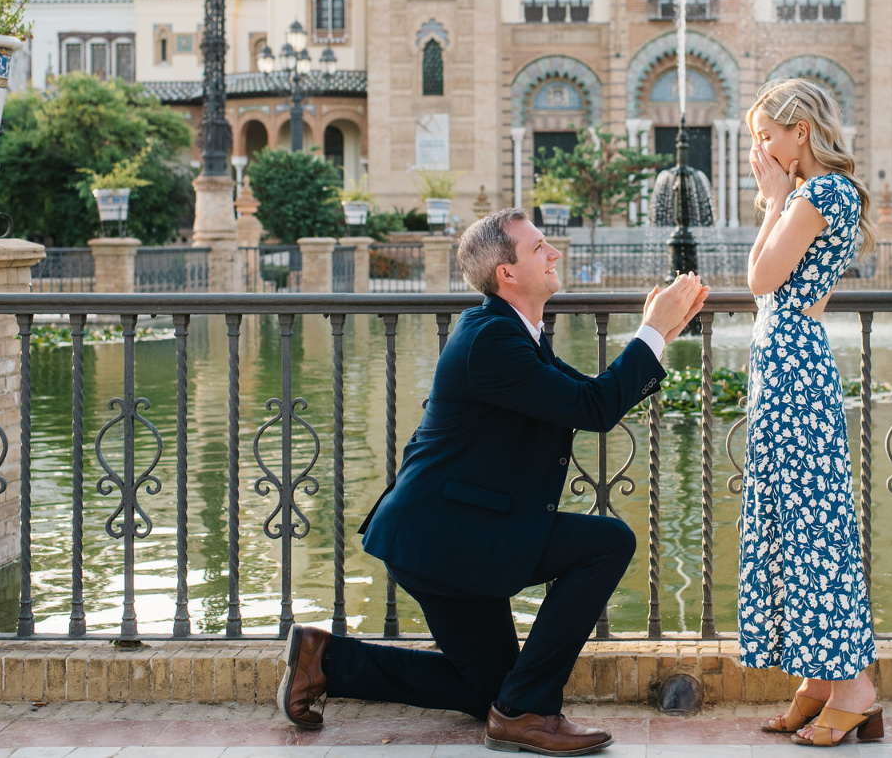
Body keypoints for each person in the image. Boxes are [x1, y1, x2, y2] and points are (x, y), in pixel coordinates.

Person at [276, 208, 708, 757]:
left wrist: (661, 330)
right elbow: (594, 408)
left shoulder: (512, 333)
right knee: (607, 544)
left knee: (488, 687)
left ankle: (326, 661)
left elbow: (592, 396)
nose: (553, 254)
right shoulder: (493, 341)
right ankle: (527, 714)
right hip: (444, 536)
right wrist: (651, 331)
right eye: (539, 249)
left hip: (455, 531)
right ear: (507, 274)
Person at [740, 78, 883, 748]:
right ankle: (822, 681)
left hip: (794, 369)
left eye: (768, 133)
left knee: (812, 525)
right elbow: (783, 285)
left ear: (803, 130)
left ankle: (853, 687)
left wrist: (773, 200)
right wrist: (777, 201)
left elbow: (760, 279)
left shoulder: (817, 193)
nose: (761, 147)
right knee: (801, 521)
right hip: (792, 362)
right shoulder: (816, 196)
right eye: (756, 136)